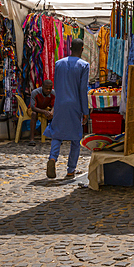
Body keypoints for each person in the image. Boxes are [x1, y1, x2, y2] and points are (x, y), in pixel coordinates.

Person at [45, 38, 91, 179]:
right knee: (75, 139)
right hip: (74, 104)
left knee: (57, 133)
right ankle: (71, 170)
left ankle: (52, 158)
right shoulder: (84, 65)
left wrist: (55, 105)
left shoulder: (59, 63)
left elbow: (56, 86)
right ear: (82, 49)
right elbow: (83, 90)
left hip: (60, 103)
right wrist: (85, 111)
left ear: (70, 48)